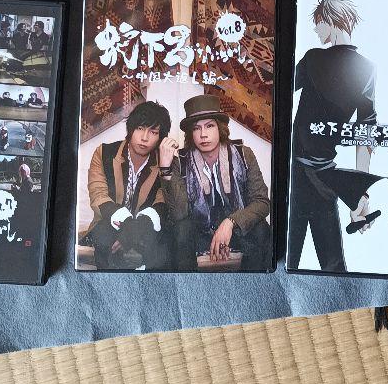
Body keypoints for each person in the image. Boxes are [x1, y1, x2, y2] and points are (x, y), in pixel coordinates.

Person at [288, 0, 378, 273]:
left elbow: (277, 91)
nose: (316, 30)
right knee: (333, 265)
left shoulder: (313, 58)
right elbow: (366, 134)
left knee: (288, 258)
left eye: (318, 23)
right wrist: (360, 192)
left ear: (330, 21)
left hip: (296, 175)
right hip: (324, 178)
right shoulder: (367, 68)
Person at [159, 95, 272, 270]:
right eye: (196, 128)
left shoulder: (243, 154)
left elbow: (262, 203)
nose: (203, 135)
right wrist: (165, 169)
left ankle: (252, 284)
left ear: (220, 128)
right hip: (200, 234)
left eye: (209, 126)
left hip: (236, 232)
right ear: (190, 133)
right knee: (181, 230)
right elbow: (179, 214)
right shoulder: (180, 161)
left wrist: (230, 222)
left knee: (261, 229)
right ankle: (187, 285)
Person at [84, 101, 174, 270]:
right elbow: (98, 195)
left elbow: (163, 201)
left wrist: (137, 228)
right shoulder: (104, 153)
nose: (145, 138)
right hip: (110, 222)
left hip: (146, 227)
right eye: (140, 128)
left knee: (162, 247)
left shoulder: (164, 161)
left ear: (161, 138)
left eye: (153, 132)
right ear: (131, 129)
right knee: (103, 237)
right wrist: (126, 223)